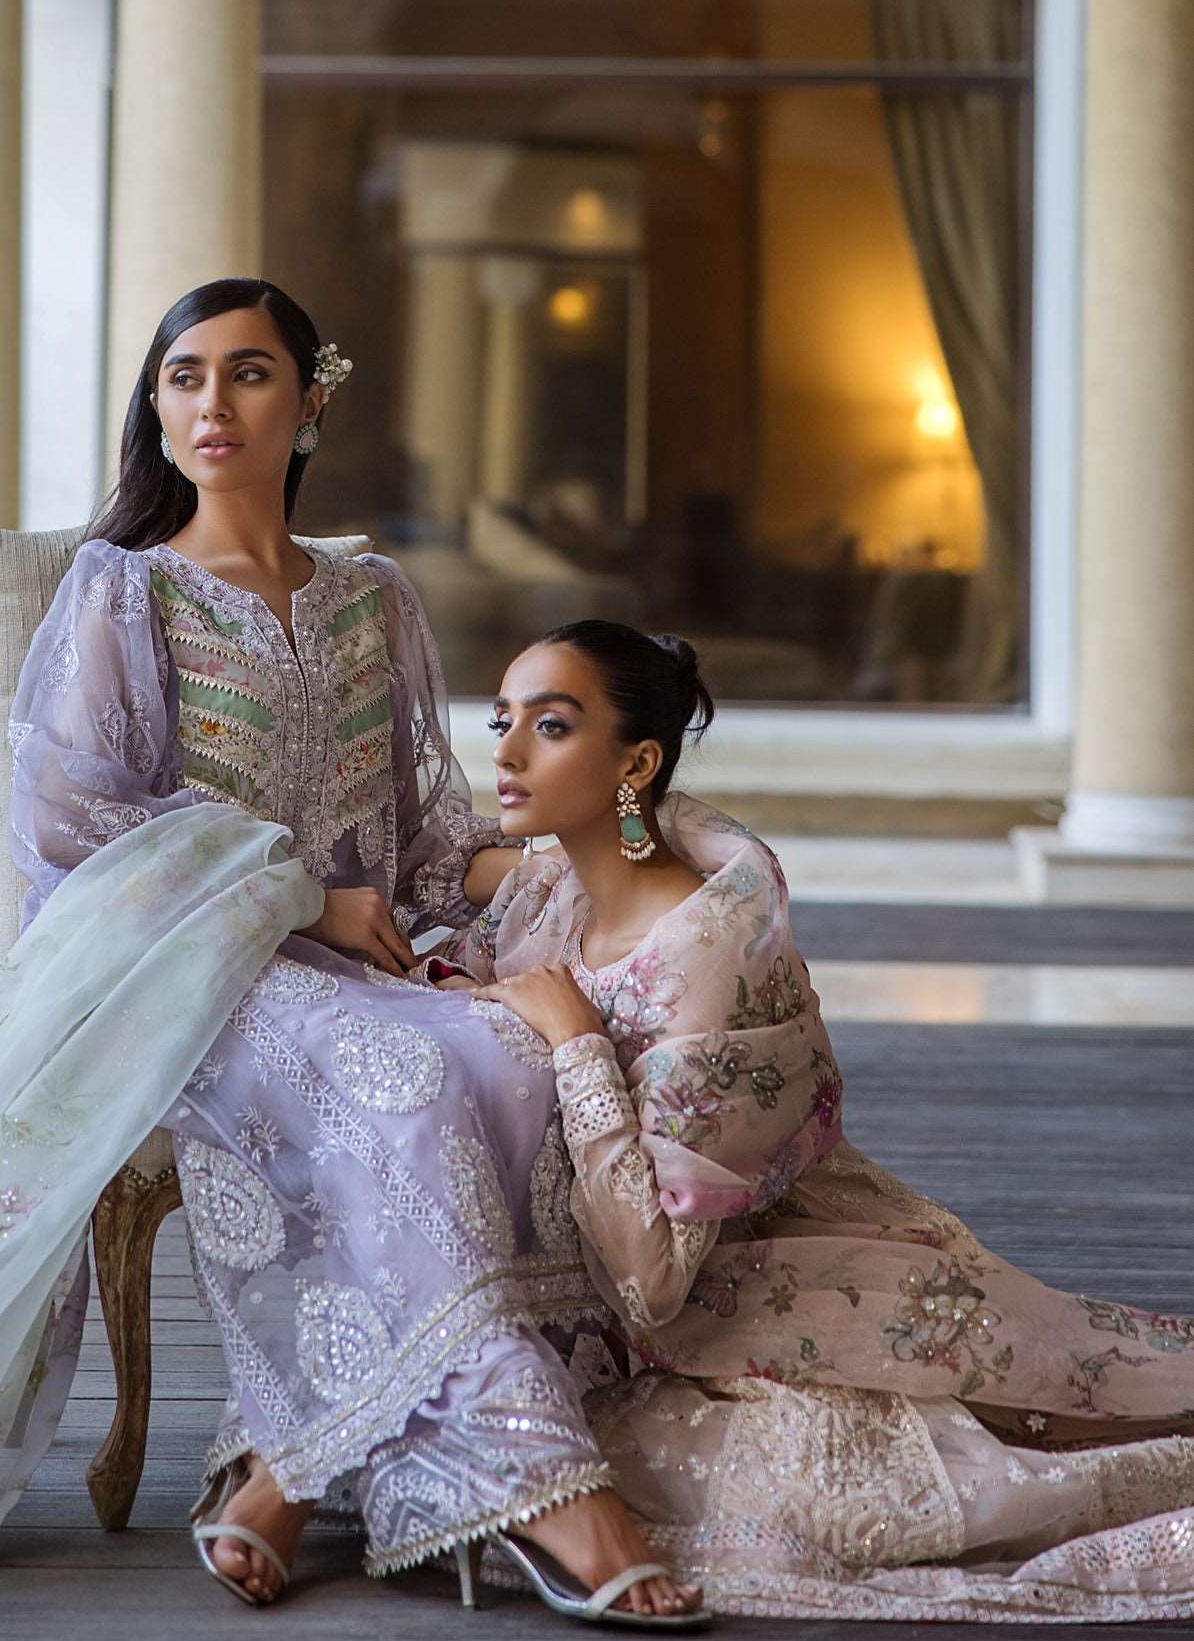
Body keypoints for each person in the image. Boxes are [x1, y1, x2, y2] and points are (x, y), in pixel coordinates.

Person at [0, 278, 703, 1627]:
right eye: (182, 376)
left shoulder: (371, 597)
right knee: (404, 1078)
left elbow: (420, 834)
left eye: (246, 374)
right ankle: (556, 1490)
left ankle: (284, 1468)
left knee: (519, 1052)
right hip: (190, 977)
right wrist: (300, 899)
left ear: (310, 401)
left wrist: (593, 845)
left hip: (364, 966)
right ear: (156, 406)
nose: (210, 405)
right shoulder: (124, 592)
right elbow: (81, 828)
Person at [425, 618, 1194, 1624]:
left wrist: (576, 1044)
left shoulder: (702, 948)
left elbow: (655, 1280)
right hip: (587, 1292)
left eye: (553, 724)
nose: (508, 750)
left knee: (981, 1470)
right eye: (502, 718)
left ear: (636, 761)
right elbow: (455, 875)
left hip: (742, 1285)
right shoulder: (551, 887)